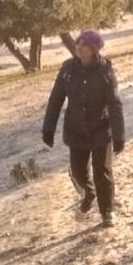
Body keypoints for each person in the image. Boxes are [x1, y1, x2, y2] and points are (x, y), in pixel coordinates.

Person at [42, 29, 125, 228]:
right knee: (78, 172)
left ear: (94, 49)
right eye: (78, 43)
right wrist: (48, 128)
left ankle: (107, 211)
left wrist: (119, 135)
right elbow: (55, 100)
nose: (79, 48)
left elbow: (114, 103)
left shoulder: (105, 71)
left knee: (102, 171)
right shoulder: (67, 70)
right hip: (75, 130)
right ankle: (89, 192)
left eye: (84, 45)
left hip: (100, 129)